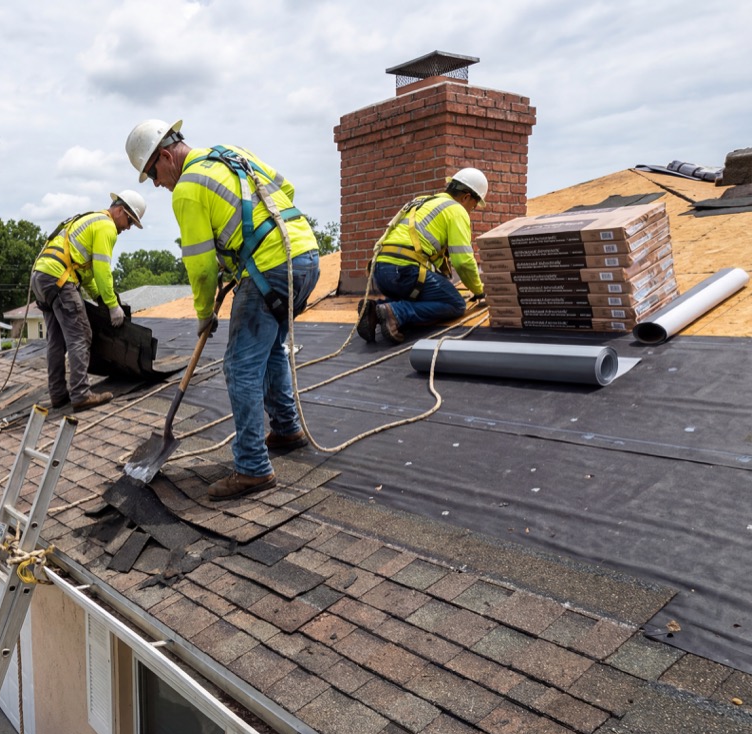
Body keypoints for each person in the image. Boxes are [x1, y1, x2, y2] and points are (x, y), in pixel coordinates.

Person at [125, 119, 319, 501]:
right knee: (269, 350)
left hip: (271, 266)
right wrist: (245, 243)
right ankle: (286, 428)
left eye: (153, 174)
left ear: (166, 156)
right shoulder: (232, 154)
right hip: (305, 255)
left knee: (240, 366)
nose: (157, 184)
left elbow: (199, 267)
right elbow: (286, 189)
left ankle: (252, 468)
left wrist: (203, 314)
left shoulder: (188, 190)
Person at [29, 190, 146, 412]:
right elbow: (103, 271)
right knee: (81, 334)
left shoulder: (93, 220)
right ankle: (81, 394)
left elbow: (89, 275)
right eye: (129, 220)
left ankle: (58, 395)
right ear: (120, 210)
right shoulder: (107, 227)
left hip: (42, 277)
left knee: (57, 340)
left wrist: (100, 299)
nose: (128, 227)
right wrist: (112, 305)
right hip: (58, 277)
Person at [357, 168, 488, 344]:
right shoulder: (456, 210)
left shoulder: (422, 201)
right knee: (455, 303)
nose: (472, 210)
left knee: (415, 296)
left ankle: (376, 310)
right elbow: (463, 262)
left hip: (380, 271)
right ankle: (395, 313)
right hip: (404, 272)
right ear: (466, 197)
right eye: (473, 205)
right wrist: (479, 290)